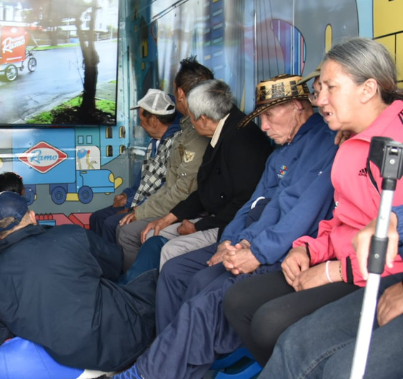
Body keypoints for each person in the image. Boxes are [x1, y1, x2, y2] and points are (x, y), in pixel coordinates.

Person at [113, 74, 339, 379]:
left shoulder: (323, 143)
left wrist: (252, 249)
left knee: (204, 297)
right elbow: (255, 203)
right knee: (184, 276)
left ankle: (155, 368)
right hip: (248, 241)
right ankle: (168, 355)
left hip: (282, 252)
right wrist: (230, 240)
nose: (265, 126)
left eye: (270, 115)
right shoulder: (283, 149)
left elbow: (300, 215)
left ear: (298, 107)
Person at [223, 37, 403, 367]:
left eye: (330, 88)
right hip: (339, 260)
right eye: (319, 89)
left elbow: (389, 230)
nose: (319, 100)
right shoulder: (347, 142)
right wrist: (306, 249)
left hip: (374, 271)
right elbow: (340, 218)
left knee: (279, 329)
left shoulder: (394, 138)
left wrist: (333, 270)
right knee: (238, 301)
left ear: (367, 90)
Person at [0, 192, 157, 372]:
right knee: (153, 248)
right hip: (126, 341)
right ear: (33, 217)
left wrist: (37, 332)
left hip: (59, 359)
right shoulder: (71, 235)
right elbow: (114, 266)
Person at [122, 79, 272, 272]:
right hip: (212, 217)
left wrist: (199, 226)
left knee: (167, 250)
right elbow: (206, 190)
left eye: (191, 117)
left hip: (229, 226)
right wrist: (170, 217)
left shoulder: (242, 140)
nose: (190, 124)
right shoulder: (221, 131)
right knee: (153, 234)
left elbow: (243, 202)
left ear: (202, 118)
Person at [259, 208, 403, 379]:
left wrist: (339, 270)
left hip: (366, 269)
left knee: (345, 371)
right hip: (368, 267)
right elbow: (339, 222)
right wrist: (394, 218)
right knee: (296, 343)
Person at [115, 57, 210, 271]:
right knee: (117, 225)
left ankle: (137, 289)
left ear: (182, 95)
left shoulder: (195, 134)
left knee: (127, 232)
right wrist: (137, 206)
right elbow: (167, 184)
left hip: (196, 214)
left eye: (176, 91)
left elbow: (182, 191)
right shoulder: (186, 131)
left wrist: (140, 211)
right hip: (183, 207)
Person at [89, 89, 181, 244]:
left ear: (153, 120)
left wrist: (131, 206)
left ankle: (114, 267)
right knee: (97, 218)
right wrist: (126, 195)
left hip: (154, 207)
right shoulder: (154, 144)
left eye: (142, 118)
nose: (140, 124)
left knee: (112, 224)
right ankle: (101, 263)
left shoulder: (175, 144)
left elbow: (165, 188)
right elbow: (141, 183)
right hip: (138, 202)